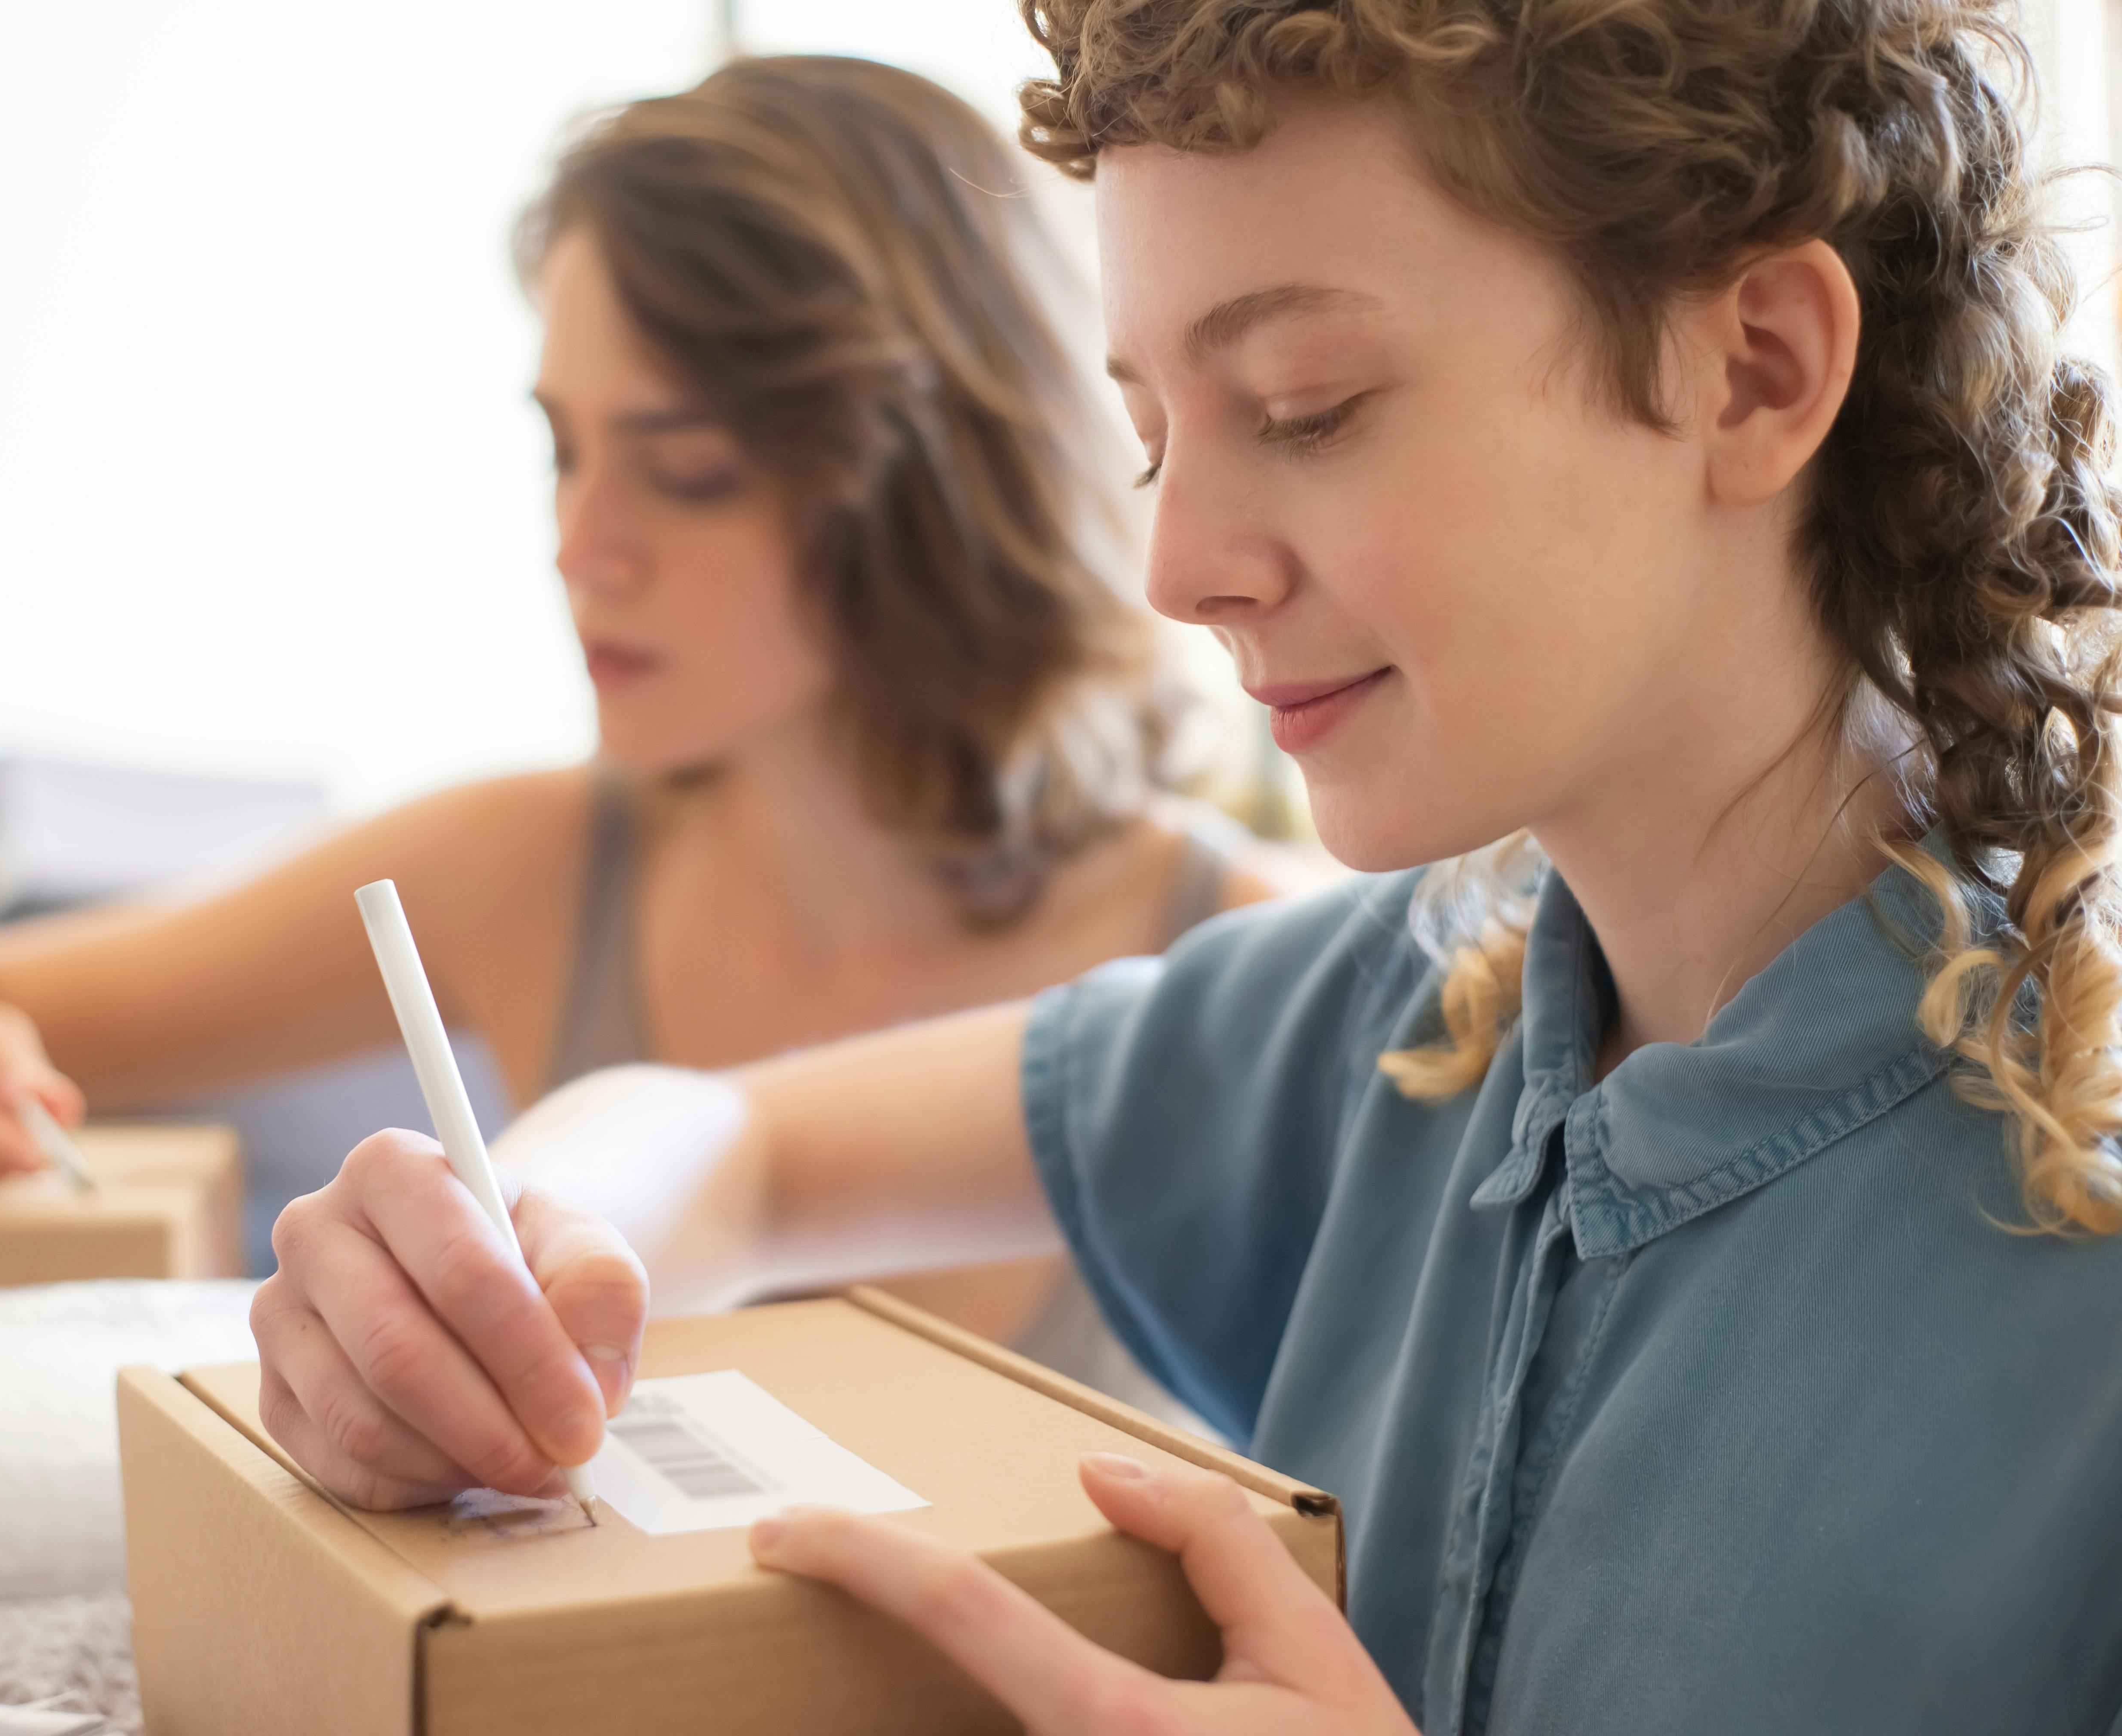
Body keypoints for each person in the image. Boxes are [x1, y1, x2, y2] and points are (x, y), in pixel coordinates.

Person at [245, 0, 2122, 1730]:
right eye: (1152, 429)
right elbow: (739, 1142)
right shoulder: (1406, 1017)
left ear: (1756, 367)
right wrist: (513, 1248)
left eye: (1306, 406)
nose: (1178, 562)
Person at [0, 56, 1306, 1379]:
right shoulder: (526, 865)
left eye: (683, 467)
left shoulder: (1256, 964)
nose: (583, 545)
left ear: (942, 482)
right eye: (564, 454)